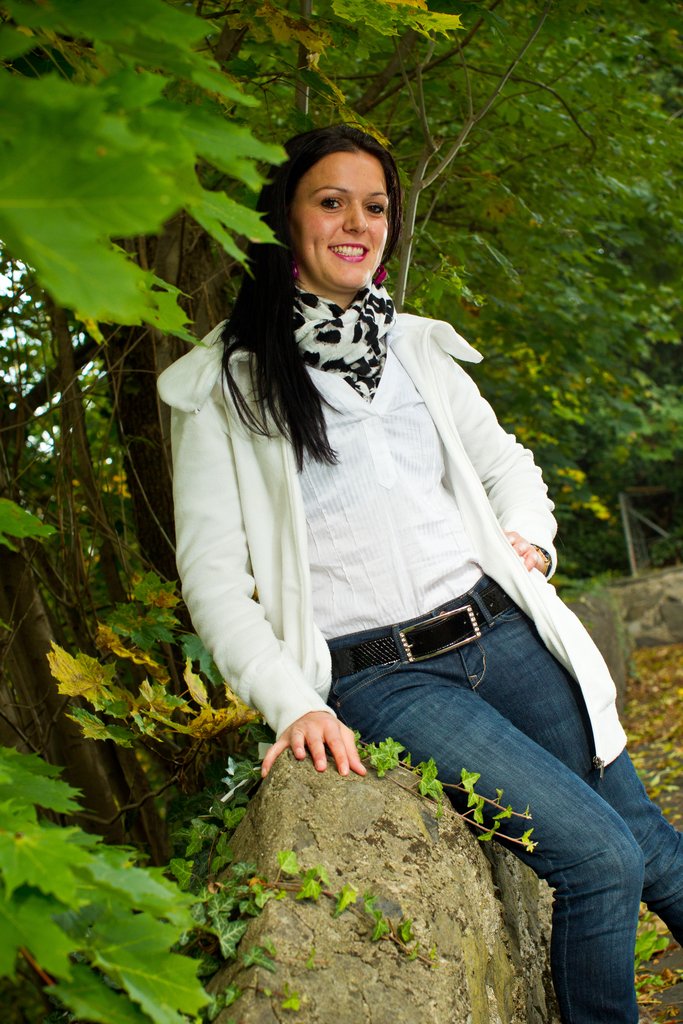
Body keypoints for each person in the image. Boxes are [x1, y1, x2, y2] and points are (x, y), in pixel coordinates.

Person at [158, 124, 683, 1023]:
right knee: (600, 860)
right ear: (285, 217)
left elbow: (509, 466)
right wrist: (295, 704)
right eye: (331, 202)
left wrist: (529, 540)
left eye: (374, 206)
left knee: (650, 846)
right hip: (385, 679)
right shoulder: (225, 387)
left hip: (502, 630)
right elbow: (212, 580)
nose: (356, 224)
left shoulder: (415, 349)